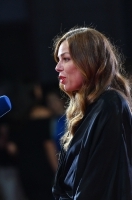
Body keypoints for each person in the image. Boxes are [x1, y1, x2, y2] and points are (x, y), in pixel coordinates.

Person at [52, 27, 132, 200]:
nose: (58, 67)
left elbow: (98, 182)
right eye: (58, 60)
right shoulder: (88, 110)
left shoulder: (110, 103)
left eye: (66, 59)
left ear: (89, 61)